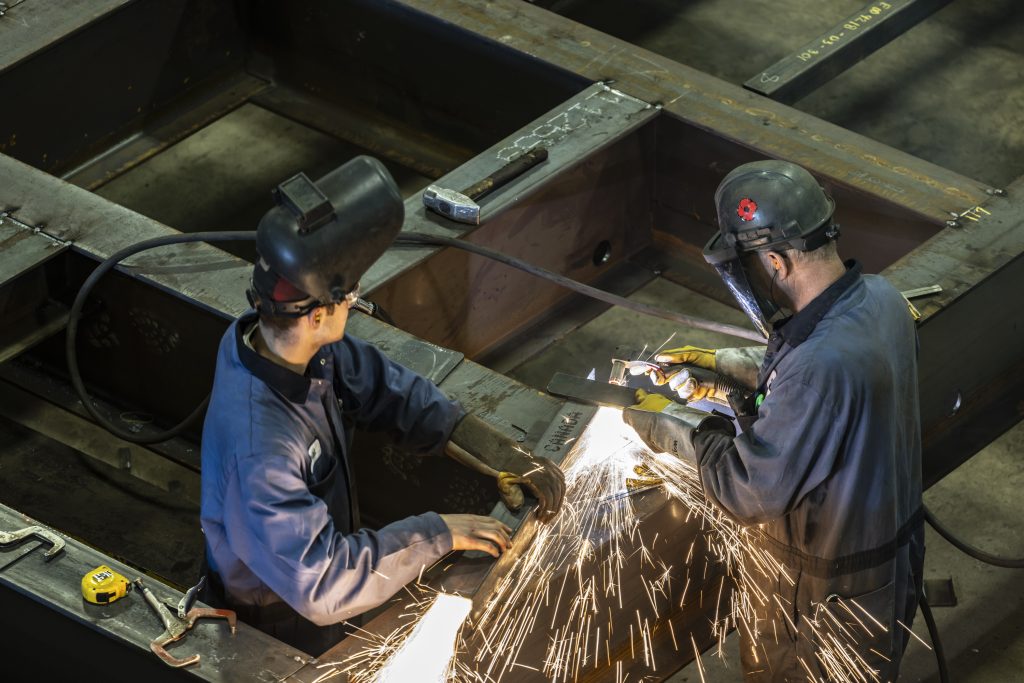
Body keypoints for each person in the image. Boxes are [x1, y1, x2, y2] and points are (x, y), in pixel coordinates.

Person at [200, 156, 564, 654]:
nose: (356, 300)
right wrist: (436, 533)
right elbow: (323, 586)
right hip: (281, 617)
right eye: (349, 294)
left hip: (314, 567)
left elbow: (382, 387)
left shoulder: (283, 343)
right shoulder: (260, 450)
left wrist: (491, 447)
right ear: (318, 314)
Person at [623, 160, 923, 681]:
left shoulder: (817, 369)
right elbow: (822, 376)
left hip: (819, 597)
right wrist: (724, 368)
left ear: (778, 261)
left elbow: (748, 490)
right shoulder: (882, 297)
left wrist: (668, 422)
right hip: (886, 568)